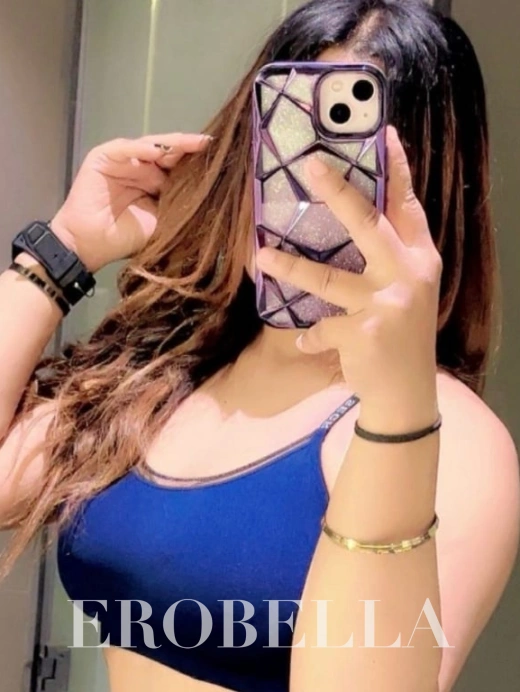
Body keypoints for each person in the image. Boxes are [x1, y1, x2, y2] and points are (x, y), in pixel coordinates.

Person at [0, 0, 519, 690]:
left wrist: (397, 406)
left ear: (423, 190)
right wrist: (58, 254)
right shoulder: (168, 369)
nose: (308, 188)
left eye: (346, 161)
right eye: (285, 136)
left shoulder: (453, 440)